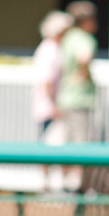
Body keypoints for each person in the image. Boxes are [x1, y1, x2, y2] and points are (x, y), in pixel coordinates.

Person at [57, 0, 99, 191]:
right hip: (79, 99)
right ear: (87, 21)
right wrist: (86, 74)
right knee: (81, 147)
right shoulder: (85, 39)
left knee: (67, 144)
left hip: (65, 97)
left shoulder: (69, 37)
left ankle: (65, 185)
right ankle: (77, 190)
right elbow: (84, 58)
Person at [31, 10, 73, 191]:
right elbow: (46, 81)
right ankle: (48, 185)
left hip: (49, 107)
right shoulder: (50, 50)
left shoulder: (53, 49)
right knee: (50, 148)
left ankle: (53, 184)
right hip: (49, 109)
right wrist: (55, 106)